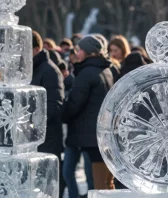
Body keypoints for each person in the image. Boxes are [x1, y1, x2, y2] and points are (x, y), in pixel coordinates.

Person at [62, 35, 115, 190]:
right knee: (105, 183)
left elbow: (74, 103)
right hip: (101, 135)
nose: (77, 53)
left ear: (89, 53)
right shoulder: (106, 70)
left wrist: (61, 112)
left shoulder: (86, 73)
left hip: (90, 137)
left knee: (97, 184)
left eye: (80, 50)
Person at [31, 31, 65, 198]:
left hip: (46, 139)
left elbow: (54, 106)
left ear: (36, 49)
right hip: (31, 139)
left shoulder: (50, 71)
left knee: (45, 187)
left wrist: (30, 123)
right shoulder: (32, 69)